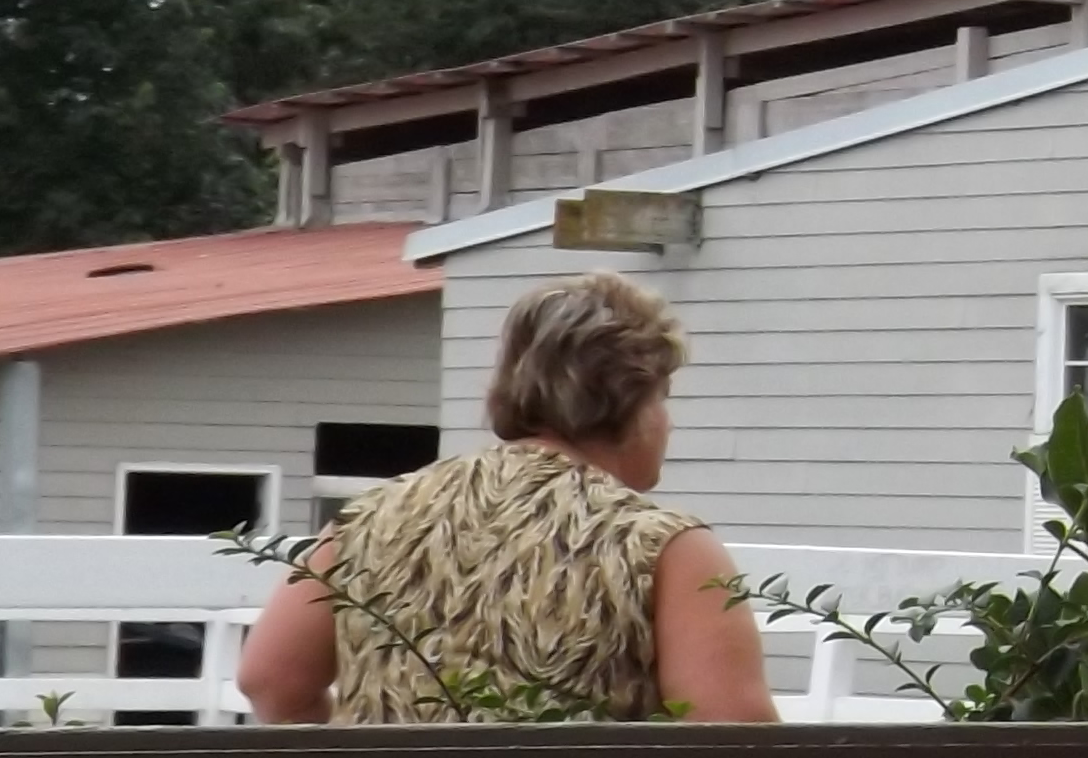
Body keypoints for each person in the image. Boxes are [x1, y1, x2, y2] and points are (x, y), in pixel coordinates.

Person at [235, 268, 777, 725]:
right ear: (626, 400)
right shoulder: (666, 548)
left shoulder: (368, 519)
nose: (667, 422)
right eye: (662, 397)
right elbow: (733, 742)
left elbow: (271, 680)